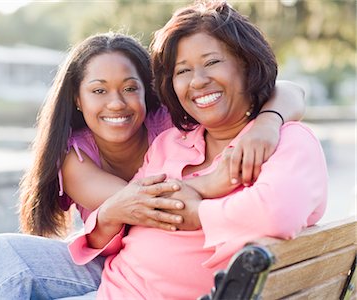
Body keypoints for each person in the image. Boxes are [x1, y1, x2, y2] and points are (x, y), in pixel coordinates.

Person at [0, 29, 306, 299]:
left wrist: (268, 121)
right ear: (77, 97)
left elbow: (290, 89)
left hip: (150, 269)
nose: (116, 104)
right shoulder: (75, 157)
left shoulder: (169, 125)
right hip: (116, 259)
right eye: (99, 90)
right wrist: (212, 184)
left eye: (130, 88)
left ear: (147, 90)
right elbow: (148, 205)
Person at [68, 1, 328, 299]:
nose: (198, 81)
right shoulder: (170, 142)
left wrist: (198, 212)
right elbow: (136, 211)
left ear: (247, 64)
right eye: (183, 70)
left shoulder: (286, 140)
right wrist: (208, 184)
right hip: (114, 287)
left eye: (212, 62)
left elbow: (275, 214)